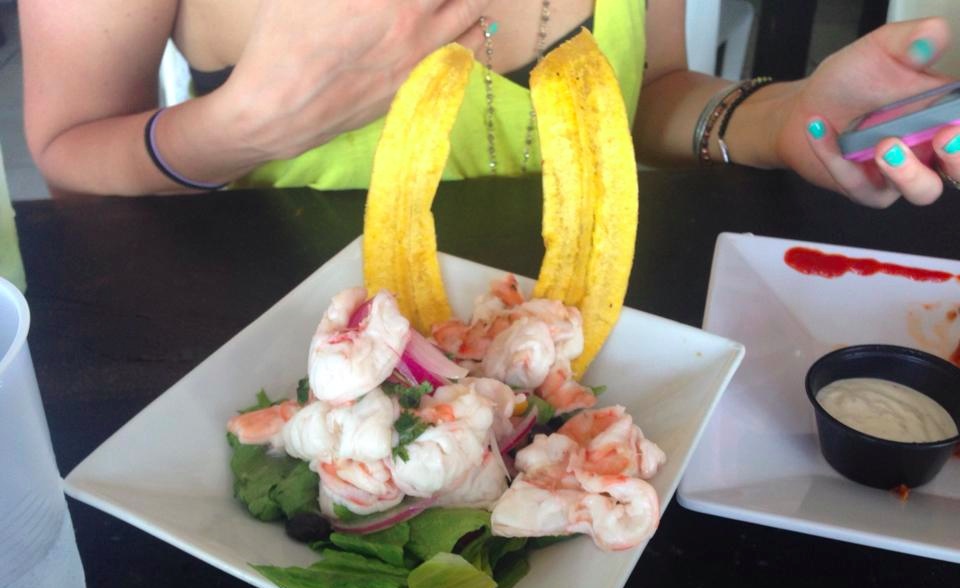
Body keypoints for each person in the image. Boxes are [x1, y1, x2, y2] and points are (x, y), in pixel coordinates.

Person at [18, 0, 960, 206]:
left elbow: (650, 96)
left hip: (585, 365)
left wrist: (792, 118)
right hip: (299, 384)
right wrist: (239, 131)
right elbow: (69, 151)